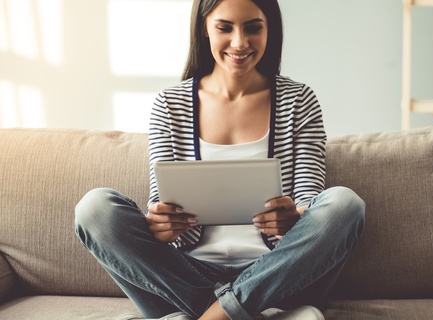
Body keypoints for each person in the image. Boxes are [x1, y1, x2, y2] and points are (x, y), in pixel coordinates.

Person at [74, 0, 365, 319]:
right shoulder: (169, 105)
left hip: (279, 277)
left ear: (270, 29)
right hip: (185, 279)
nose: (240, 42)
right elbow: (160, 202)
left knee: (345, 204)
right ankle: (237, 312)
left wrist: (294, 218)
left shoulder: (299, 100)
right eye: (224, 27)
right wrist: (161, 224)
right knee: (94, 208)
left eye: (253, 27)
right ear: (204, 28)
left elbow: (311, 198)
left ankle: (215, 315)